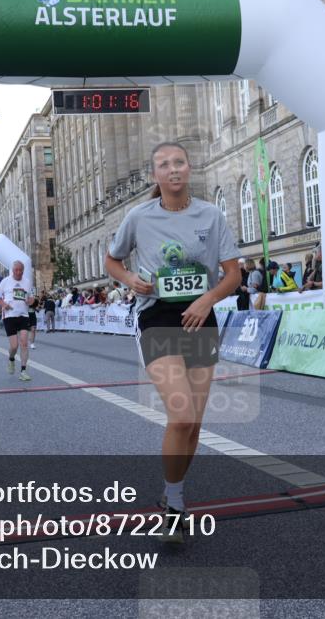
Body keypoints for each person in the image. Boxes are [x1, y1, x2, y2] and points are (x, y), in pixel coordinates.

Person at [105, 141, 241, 542]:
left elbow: (232, 274)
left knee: (194, 423)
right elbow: (113, 260)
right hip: (157, 318)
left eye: (179, 162)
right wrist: (129, 279)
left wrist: (208, 299)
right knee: (181, 415)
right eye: (164, 165)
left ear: (189, 167)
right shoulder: (139, 216)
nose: (173, 170)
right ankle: (175, 505)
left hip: (201, 317)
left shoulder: (211, 215)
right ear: (156, 176)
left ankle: (172, 495)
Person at [0, 260, 35, 381]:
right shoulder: (6, 281)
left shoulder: (27, 282)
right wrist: (4, 304)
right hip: (9, 315)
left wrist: (30, 301)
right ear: (12, 270)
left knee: (24, 343)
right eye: (16, 270)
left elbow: (32, 297)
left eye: (20, 270)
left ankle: (23, 371)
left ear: (23, 270)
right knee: (14, 346)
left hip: (23, 315)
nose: (18, 272)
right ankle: (11, 359)